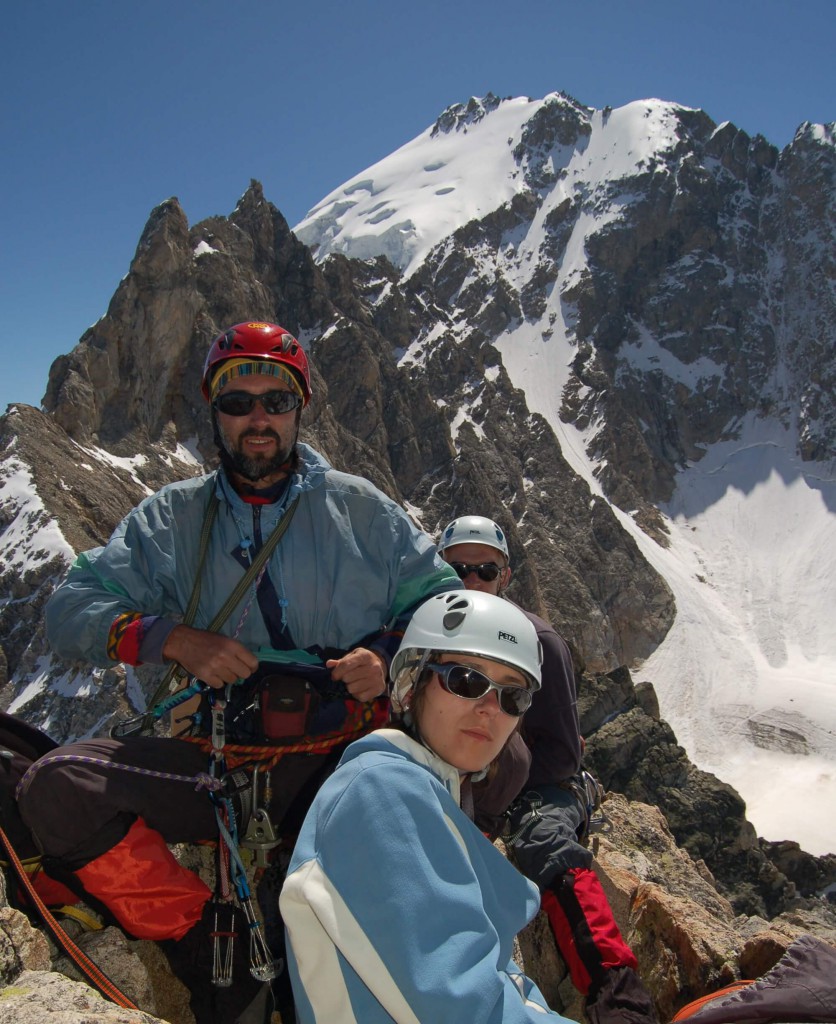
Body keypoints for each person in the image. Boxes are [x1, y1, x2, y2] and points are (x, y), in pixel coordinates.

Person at [16, 321, 460, 1022]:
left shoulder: (360, 510)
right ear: (215, 415)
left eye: (275, 401)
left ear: (299, 409)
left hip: (342, 759)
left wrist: (387, 653)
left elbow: (444, 604)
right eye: (238, 401)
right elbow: (71, 610)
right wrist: (171, 639)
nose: (258, 419)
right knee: (57, 786)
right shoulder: (170, 520)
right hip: (214, 756)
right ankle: (195, 939)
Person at [281, 589, 576, 1023]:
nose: (490, 708)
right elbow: (464, 1007)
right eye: (467, 679)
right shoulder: (384, 791)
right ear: (411, 682)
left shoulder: (421, 795)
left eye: (513, 696)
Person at [438, 515, 658, 1024]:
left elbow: (559, 753)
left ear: (505, 577)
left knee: (545, 841)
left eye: (484, 571)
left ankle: (616, 993)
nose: (471, 582)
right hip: (461, 774)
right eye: (457, 570)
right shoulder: (426, 632)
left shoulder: (539, 641)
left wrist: (493, 764)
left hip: (535, 785)